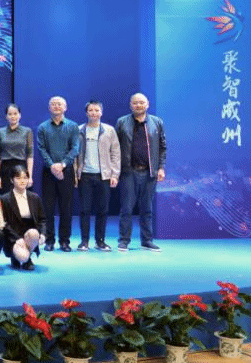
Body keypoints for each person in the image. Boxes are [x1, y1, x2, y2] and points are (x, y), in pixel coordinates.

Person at [115, 93, 166, 252]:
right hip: (128, 171)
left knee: (147, 208)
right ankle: (124, 240)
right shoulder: (122, 122)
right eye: (135, 103)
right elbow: (115, 147)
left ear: (147, 104)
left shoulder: (157, 122)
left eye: (141, 102)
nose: (138, 105)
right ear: (130, 105)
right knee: (126, 208)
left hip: (150, 172)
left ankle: (147, 241)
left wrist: (161, 167)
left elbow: (162, 147)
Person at [74, 101, 121, 252]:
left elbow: (115, 153)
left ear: (101, 112)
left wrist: (114, 174)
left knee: (103, 210)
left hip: (104, 176)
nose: (93, 113)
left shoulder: (109, 130)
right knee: (84, 210)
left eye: (96, 110)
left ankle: (100, 241)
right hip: (85, 176)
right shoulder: (79, 130)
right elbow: (74, 154)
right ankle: (84, 241)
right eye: (90, 110)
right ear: (86, 112)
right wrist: (75, 174)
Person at [36, 96, 79, 252]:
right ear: (49, 108)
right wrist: (52, 165)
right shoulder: (42, 127)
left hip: (66, 171)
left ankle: (64, 241)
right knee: (48, 208)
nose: (56, 106)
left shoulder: (73, 126)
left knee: (66, 208)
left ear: (65, 107)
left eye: (59, 104)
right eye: (53, 104)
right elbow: (41, 149)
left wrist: (62, 164)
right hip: (48, 172)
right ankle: (49, 240)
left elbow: (75, 148)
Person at [1, 165, 45, 270]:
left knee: (34, 233)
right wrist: (16, 239)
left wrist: (43, 234)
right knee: (23, 257)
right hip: (13, 236)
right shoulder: (4, 199)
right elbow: (3, 223)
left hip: (30, 234)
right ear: (11, 180)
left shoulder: (35, 198)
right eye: (18, 178)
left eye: (25, 178)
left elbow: (42, 219)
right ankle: (16, 256)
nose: (22, 181)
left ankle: (28, 258)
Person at [0, 103, 33, 195]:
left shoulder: (27, 131)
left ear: (20, 115)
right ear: (6, 116)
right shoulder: (0, 132)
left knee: (21, 197)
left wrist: (30, 176)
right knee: (5, 197)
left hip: (21, 167)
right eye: (10, 114)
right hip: (5, 168)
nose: (13, 116)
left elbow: (30, 155)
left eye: (15, 114)